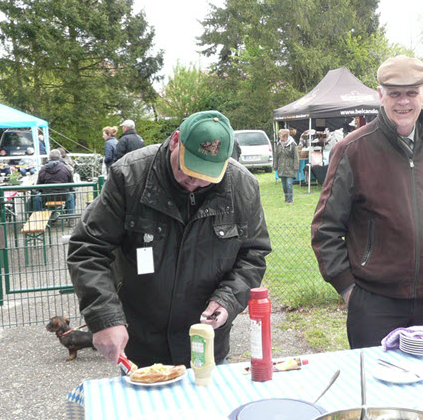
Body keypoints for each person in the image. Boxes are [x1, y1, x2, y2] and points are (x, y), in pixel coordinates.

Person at [67, 111, 271, 368]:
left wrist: (228, 299)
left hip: (206, 343)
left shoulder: (242, 186)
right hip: (142, 342)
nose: (194, 182)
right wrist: (105, 318)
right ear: (175, 141)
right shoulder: (129, 176)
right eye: (188, 169)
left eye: (207, 175)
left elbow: (253, 255)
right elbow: (89, 248)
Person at [311, 55, 423, 348]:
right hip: (374, 306)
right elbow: (325, 229)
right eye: (394, 94)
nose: (403, 102)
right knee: (376, 379)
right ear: (380, 95)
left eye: (411, 93)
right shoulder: (352, 150)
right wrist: (348, 290)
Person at [32, 148, 75, 214]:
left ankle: (38, 216)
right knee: (71, 195)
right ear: (60, 157)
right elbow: (71, 185)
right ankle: (71, 215)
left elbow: (38, 187)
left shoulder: (42, 170)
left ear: (49, 157)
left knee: (37, 198)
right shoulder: (66, 169)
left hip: (47, 197)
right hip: (63, 196)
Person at [273, 128, 299, 204]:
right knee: (284, 185)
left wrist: (296, 167)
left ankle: (290, 200)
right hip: (282, 168)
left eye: (280, 135)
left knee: (289, 184)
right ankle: (286, 198)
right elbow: (276, 156)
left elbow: (296, 156)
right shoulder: (279, 145)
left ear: (285, 136)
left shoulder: (293, 144)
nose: (279, 137)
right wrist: (275, 166)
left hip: (290, 168)